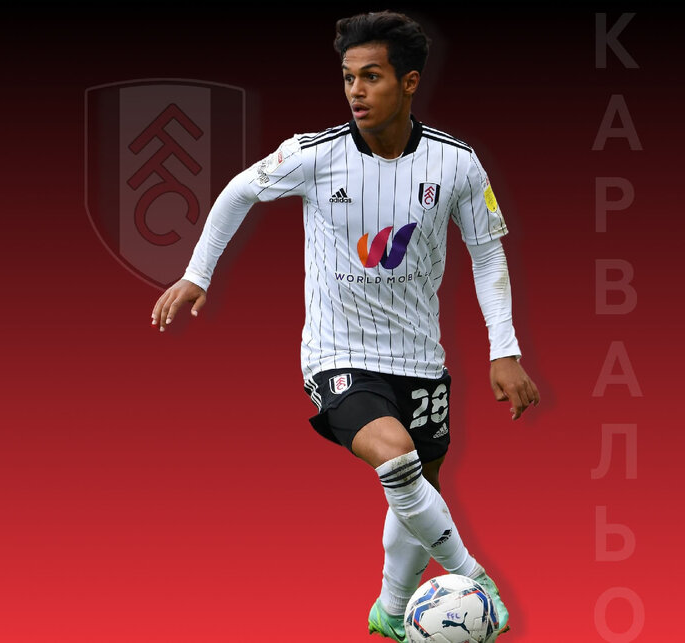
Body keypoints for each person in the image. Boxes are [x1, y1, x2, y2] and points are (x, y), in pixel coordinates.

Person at [150, 11, 539, 641]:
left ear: (409, 82)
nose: (356, 91)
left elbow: (488, 254)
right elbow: (239, 192)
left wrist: (505, 350)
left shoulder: (458, 165)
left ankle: (391, 611)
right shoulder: (314, 155)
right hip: (337, 354)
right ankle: (475, 580)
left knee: (417, 488)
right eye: (349, 77)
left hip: (421, 358)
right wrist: (198, 274)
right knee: (397, 457)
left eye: (372, 76)